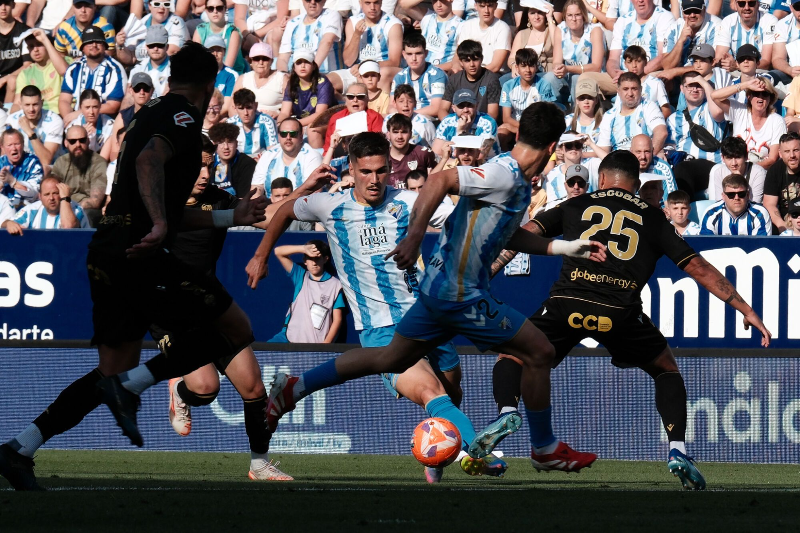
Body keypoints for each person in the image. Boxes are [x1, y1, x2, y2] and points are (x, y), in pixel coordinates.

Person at [249, 103, 609, 480]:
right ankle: (493, 449)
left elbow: (480, 224)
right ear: (350, 169)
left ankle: (298, 391)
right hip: (421, 306)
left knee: (440, 384)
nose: (374, 179)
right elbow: (286, 211)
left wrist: (563, 247)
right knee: (488, 369)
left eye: (381, 170)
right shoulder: (332, 205)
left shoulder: (409, 201)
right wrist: (261, 253)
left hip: (423, 302)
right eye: (365, 171)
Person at [0, 43, 271, 491]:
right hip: (139, 252)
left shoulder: (149, 113)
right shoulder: (184, 118)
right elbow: (149, 164)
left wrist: (228, 216)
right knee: (235, 329)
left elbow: (161, 197)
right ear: (210, 86)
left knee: (112, 369)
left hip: (107, 249)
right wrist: (160, 222)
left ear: (171, 78)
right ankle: (134, 387)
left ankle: (19, 448)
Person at [489, 149, 771, 490]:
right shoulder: (654, 218)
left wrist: (490, 268)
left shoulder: (575, 204)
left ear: (601, 178)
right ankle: (678, 450)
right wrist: (745, 309)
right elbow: (698, 267)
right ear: (635, 185)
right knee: (665, 369)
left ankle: (507, 412)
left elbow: (522, 235)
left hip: (567, 302)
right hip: (619, 313)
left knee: (513, 355)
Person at [269, 240, 345, 343]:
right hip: (288, 338)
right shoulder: (300, 275)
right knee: (262, 351)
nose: (314, 263)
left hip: (315, 344)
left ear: (325, 259)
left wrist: (325, 345)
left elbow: (337, 319)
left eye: (317, 258)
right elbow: (278, 252)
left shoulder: (335, 285)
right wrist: (303, 249)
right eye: (310, 258)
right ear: (305, 261)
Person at [667, 72, 727, 196]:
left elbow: (718, 112)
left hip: (711, 165)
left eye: (698, 85)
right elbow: (669, 146)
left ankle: (682, 204)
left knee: (683, 168)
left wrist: (705, 83)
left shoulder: (710, 108)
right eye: (690, 85)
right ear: (682, 88)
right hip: (684, 165)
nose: (695, 89)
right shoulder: (673, 118)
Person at [709, 76, 786, 169]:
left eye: (765, 94)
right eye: (756, 93)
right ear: (749, 96)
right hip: (733, 168)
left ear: (770, 98)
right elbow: (714, 96)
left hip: (760, 171)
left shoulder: (777, 121)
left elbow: (772, 159)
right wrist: (746, 85)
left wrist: (746, 169)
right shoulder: (740, 111)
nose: (760, 97)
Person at [329, 0, 402, 94]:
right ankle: (346, 101)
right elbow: (348, 61)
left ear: (381, 2)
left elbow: (395, 62)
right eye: (368, 3)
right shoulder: (353, 21)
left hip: (380, 70)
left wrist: (365, 66)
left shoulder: (393, 24)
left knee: (383, 74)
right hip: (358, 71)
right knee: (328, 81)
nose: (372, 7)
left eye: (376, 3)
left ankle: (379, 102)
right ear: (360, 3)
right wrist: (356, 35)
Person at [59, 26, 126, 121]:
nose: (94, 45)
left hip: (104, 120)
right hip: (76, 120)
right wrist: (69, 119)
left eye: (98, 42)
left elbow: (113, 105)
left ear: (104, 46)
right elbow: (64, 100)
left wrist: (80, 113)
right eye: (89, 42)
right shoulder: (74, 68)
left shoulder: (115, 69)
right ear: (83, 48)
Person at [497, 48, 556, 151]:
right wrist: (520, 128)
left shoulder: (544, 85)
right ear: (517, 68)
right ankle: (505, 156)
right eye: (523, 66)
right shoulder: (508, 86)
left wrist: (526, 130)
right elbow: (506, 118)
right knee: (501, 133)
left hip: (536, 127)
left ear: (536, 67)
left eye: (531, 66)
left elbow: (547, 115)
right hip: (515, 125)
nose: (528, 70)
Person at [606, 0, 675, 85]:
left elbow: (663, 56)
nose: (640, 1)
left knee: (654, 83)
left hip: (649, 74)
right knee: (591, 80)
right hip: (622, 76)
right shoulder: (622, 21)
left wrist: (634, 74)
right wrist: (616, 74)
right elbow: (613, 59)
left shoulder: (664, 17)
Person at [549, 0, 605, 106]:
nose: (573, 19)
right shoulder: (560, 29)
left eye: (577, 15)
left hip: (591, 74)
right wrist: (558, 68)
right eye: (570, 15)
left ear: (583, 15)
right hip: (568, 72)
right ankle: (556, 110)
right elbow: (556, 61)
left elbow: (596, 67)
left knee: (576, 78)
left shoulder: (594, 30)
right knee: (549, 77)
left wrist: (568, 69)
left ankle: (577, 112)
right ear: (565, 16)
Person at [49, 125, 107, 226]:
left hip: (86, 211)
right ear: (66, 143)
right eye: (73, 141)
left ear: (88, 141)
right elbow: (52, 192)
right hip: (64, 205)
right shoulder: (60, 162)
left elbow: (95, 201)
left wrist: (71, 209)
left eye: (82, 140)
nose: (78, 144)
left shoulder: (99, 162)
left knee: (88, 214)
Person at [596, 73, 668, 153]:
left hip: (643, 157)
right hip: (618, 158)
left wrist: (650, 155)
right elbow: (604, 149)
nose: (630, 94)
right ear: (618, 91)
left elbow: (661, 133)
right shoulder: (609, 116)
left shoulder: (649, 106)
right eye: (625, 89)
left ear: (641, 90)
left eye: (634, 89)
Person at [251, 116, 322, 197]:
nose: (288, 138)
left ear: (301, 137)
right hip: (270, 203)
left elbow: (313, 192)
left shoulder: (312, 157)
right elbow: (257, 186)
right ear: (278, 137)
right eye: (284, 134)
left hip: (301, 203)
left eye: (293, 134)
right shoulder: (268, 155)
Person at [276, 50, 334, 148]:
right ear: (294, 67)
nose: (303, 66)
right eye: (299, 63)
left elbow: (320, 114)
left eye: (307, 62)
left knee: (312, 130)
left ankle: (318, 157)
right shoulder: (292, 83)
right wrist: (280, 124)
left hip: (324, 120)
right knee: (280, 127)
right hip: (301, 122)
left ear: (313, 66)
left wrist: (295, 125)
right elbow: (284, 112)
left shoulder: (323, 83)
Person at [2, 176, 89, 234]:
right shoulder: (32, 210)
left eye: (55, 193)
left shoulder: (76, 209)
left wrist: (65, 198)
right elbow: (4, 224)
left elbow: (68, 227)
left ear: (62, 193)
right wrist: (9, 223)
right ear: (40, 196)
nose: (51, 198)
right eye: (47, 194)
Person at [440, 39, 500, 121]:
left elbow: (492, 114)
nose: (472, 64)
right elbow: (442, 109)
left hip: (481, 124)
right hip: (458, 123)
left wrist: (472, 125)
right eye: (467, 61)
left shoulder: (491, 79)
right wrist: (452, 124)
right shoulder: (454, 79)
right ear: (461, 62)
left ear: (481, 59)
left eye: (475, 59)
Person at [277, 0, 343, 75]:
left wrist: (312, 72)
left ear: (324, 1)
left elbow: (327, 42)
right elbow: (283, 58)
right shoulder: (293, 23)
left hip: (326, 73)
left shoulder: (332, 15)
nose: (312, 2)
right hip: (297, 75)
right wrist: (284, 75)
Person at [391, 33, 447, 119]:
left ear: (426, 53)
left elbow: (436, 108)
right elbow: (391, 106)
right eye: (409, 54)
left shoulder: (437, 75)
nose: (414, 58)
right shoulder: (399, 77)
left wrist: (409, 114)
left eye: (418, 53)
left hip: (429, 119)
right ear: (404, 54)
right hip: (404, 118)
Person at [5, 84, 64, 167]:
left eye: (35, 104)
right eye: (27, 105)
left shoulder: (55, 121)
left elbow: (46, 160)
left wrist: (29, 131)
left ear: (42, 103)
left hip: (50, 168)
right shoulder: (12, 120)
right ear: (20, 104)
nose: (31, 109)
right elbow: (5, 153)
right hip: (22, 167)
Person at [117, 0, 188, 66]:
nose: (161, 8)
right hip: (141, 69)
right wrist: (120, 46)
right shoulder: (142, 22)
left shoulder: (177, 23)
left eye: (166, 4)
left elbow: (171, 52)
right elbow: (131, 58)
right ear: (149, 6)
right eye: (157, 4)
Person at [432, 88, 499, 159]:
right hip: (453, 162)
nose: (466, 110)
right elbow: (437, 153)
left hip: (486, 162)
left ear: (476, 106)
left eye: (469, 105)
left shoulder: (488, 123)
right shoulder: (447, 122)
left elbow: (479, 157)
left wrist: (462, 132)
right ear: (454, 108)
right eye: (461, 106)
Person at [14, 29, 70, 113]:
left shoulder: (65, 61)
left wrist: (45, 40)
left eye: (39, 44)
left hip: (61, 113)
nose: (35, 49)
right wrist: (13, 117)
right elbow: (17, 103)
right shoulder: (25, 73)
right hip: (36, 115)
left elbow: (64, 71)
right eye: (31, 46)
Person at [714, 0, 778, 72]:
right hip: (734, 71)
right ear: (736, 5)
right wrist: (725, 63)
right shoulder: (727, 21)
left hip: (759, 71)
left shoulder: (769, 21)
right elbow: (719, 57)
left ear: (758, 5)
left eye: (751, 3)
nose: (746, 7)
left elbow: (766, 63)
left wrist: (737, 65)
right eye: (742, 3)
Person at [700, 173, 771, 234]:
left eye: (741, 194)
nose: (736, 198)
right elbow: (706, 244)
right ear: (723, 196)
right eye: (731, 194)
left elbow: (761, 244)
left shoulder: (759, 213)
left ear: (748, 195)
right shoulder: (710, 213)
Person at [543, 133, 601, 207]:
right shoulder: (552, 175)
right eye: (569, 145)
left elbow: (613, 164)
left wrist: (591, 144)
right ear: (561, 150)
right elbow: (551, 204)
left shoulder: (592, 163)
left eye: (577, 145)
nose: (573, 149)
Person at [661, 0, 721, 72]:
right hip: (676, 75)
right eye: (688, 11)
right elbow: (667, 66)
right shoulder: (674, 28)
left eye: (696, 10)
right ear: (682, 11)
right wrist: (680, 41)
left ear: (704, 10)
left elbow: (711, 64)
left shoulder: (716, 26)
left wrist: (676, 72)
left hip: (705, 76)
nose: (692, 15)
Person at [323, 82, 383, 152]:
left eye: (360, 96)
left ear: (367, 99)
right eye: (350, 96)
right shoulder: (336, 118)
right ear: (346, 99)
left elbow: (379, 146)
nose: (355, 100)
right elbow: (327, 149)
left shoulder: (375, 118)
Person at [232, 42, 287, 118]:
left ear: (271, 61)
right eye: (256, 59)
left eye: (265, 59)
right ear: (251, 61)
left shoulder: (282, 79)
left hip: (274, 120)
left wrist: (278, 112)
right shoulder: (242, 79)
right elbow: (232, 106)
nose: (261, 62)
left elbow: (290, 106)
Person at [455, 0, 511, 73]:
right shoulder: (468, 25)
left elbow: (495, 66)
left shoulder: (503, 28)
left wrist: (473, 76)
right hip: (469, 72)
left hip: (493, 74)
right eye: (482, 6)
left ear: (496, 6)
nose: (486, 11)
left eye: (490, 6)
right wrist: (456, 67)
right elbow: (457, 56)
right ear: (475, 6)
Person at [707, 136, 767, 203]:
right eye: (729, 158)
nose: (734, 163)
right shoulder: (719, 172)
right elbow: (720, 202)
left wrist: (740, 180)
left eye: (738, 157)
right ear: (723, 158)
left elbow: (755, 204)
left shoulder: (758, 173)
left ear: (746, 156)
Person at [193, 0, 246, 74]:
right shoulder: (200, 30)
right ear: (206, 11)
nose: (215, 11)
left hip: (231, 75)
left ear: (225, 9)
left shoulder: (233, 32)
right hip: (207, 74)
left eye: (219, 8)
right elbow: (196, 61)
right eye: (211, 8)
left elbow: (228, 67)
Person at [508, 0, 556, 80]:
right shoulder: (521, 34)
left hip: (547, 74)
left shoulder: (552, 30)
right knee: (502, 80)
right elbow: (512, 58)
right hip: (525, 74)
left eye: (540, 12)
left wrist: (550, 18)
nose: (536, 17)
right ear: (528, 16)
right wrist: (513, 65)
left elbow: (558, 45)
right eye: (532, 13)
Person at [226, 88, 279, 159]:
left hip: (261, 161)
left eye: (249, 108)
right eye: (241, 108)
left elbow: (273, 151)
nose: (245, 113)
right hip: (237, 162)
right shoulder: (230, 123)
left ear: (256, 106)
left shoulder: (266, 122)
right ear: (234, 108)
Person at [207, 122, 257, 198]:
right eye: (221, 142)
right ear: (214, 145)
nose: (226, 147)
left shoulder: (247, 164)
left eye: (230, 142)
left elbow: (243, 196)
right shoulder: (209, 163)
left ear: (236, 144)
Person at [763, 131, 800, 231]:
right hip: (786, 222)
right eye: (787, 151)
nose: (792, 155)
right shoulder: (775, 170)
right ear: (780, 153)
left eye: (796, 150)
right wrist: (783, 227)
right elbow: (769, 204)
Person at [620, 45, 671, 118]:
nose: (634, 65)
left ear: (645, 62)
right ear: (625, 64)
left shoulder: (656, 83)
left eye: (638, 61)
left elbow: (666, 111)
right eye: (630, 62)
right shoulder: (623, 84)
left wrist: (656, 123)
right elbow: (618, 110)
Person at [386, 113, 436, 188]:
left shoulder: (423, 153)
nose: (399, 136)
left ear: (410, 134)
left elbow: (436, 181)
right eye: (395, 132)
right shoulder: (382, 157)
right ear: (388, 135)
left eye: (404, 132)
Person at [382, 84, 436, 148]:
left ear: (415, 103)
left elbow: (435, 148)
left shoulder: (425, 123)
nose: (405, 105)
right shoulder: (388, 120)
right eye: (401, 101)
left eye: (410, 101)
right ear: (394, 103)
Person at [0, 128, 43, 208]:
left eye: (17, 144)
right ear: (2, 147)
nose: (14, 148)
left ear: (23, 144)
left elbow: (34, 194)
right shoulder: (1, 162)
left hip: (27, 209)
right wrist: (1, 183)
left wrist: (13, 181)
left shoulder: (33, 162)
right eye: (9, 145)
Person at [631, 134, 677, 207]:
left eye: (647, 151)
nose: (643, 156)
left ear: (652, 150)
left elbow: (671, 205)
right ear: (631, 151)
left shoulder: (663, 168)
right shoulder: (624, 169)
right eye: (638, 152)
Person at [0, 0, 31, 105]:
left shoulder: (25, 31)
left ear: (13, 5)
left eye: (6, 3)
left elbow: (28, 65)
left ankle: (7, 112)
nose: (3, 8)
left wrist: (5, 78)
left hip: (17, 79)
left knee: (12, 81)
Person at [419, 0, 463, 73]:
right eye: (435, 0)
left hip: (443, 73)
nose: (438, 5)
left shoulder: (461, 25)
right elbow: (405, 5)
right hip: (420, 70)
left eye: (442, 1)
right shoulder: (427, 17)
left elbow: (458, 60)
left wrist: (429, 70)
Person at [66, 89, 114, 153]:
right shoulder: (72, 127)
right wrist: (82, 136)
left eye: (95, 107)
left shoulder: (110, 126)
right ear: (80, 107)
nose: (91, 112)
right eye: (87, 107)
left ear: (100, 106)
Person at [128, 25, 171, 97]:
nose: (155, 49)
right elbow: (128, 98)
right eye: (152, 45)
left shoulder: (176, 69)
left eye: (160, 45)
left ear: (167, 47)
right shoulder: (137, 69)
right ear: (146, 47)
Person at [565, 78, 604, 157]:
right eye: (582, 98)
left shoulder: (604, 121)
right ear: (577, 101)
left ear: (596, 100)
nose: (586, 102)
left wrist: (578, 155)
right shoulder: (567, 120)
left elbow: (605, 151)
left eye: (590, 97)